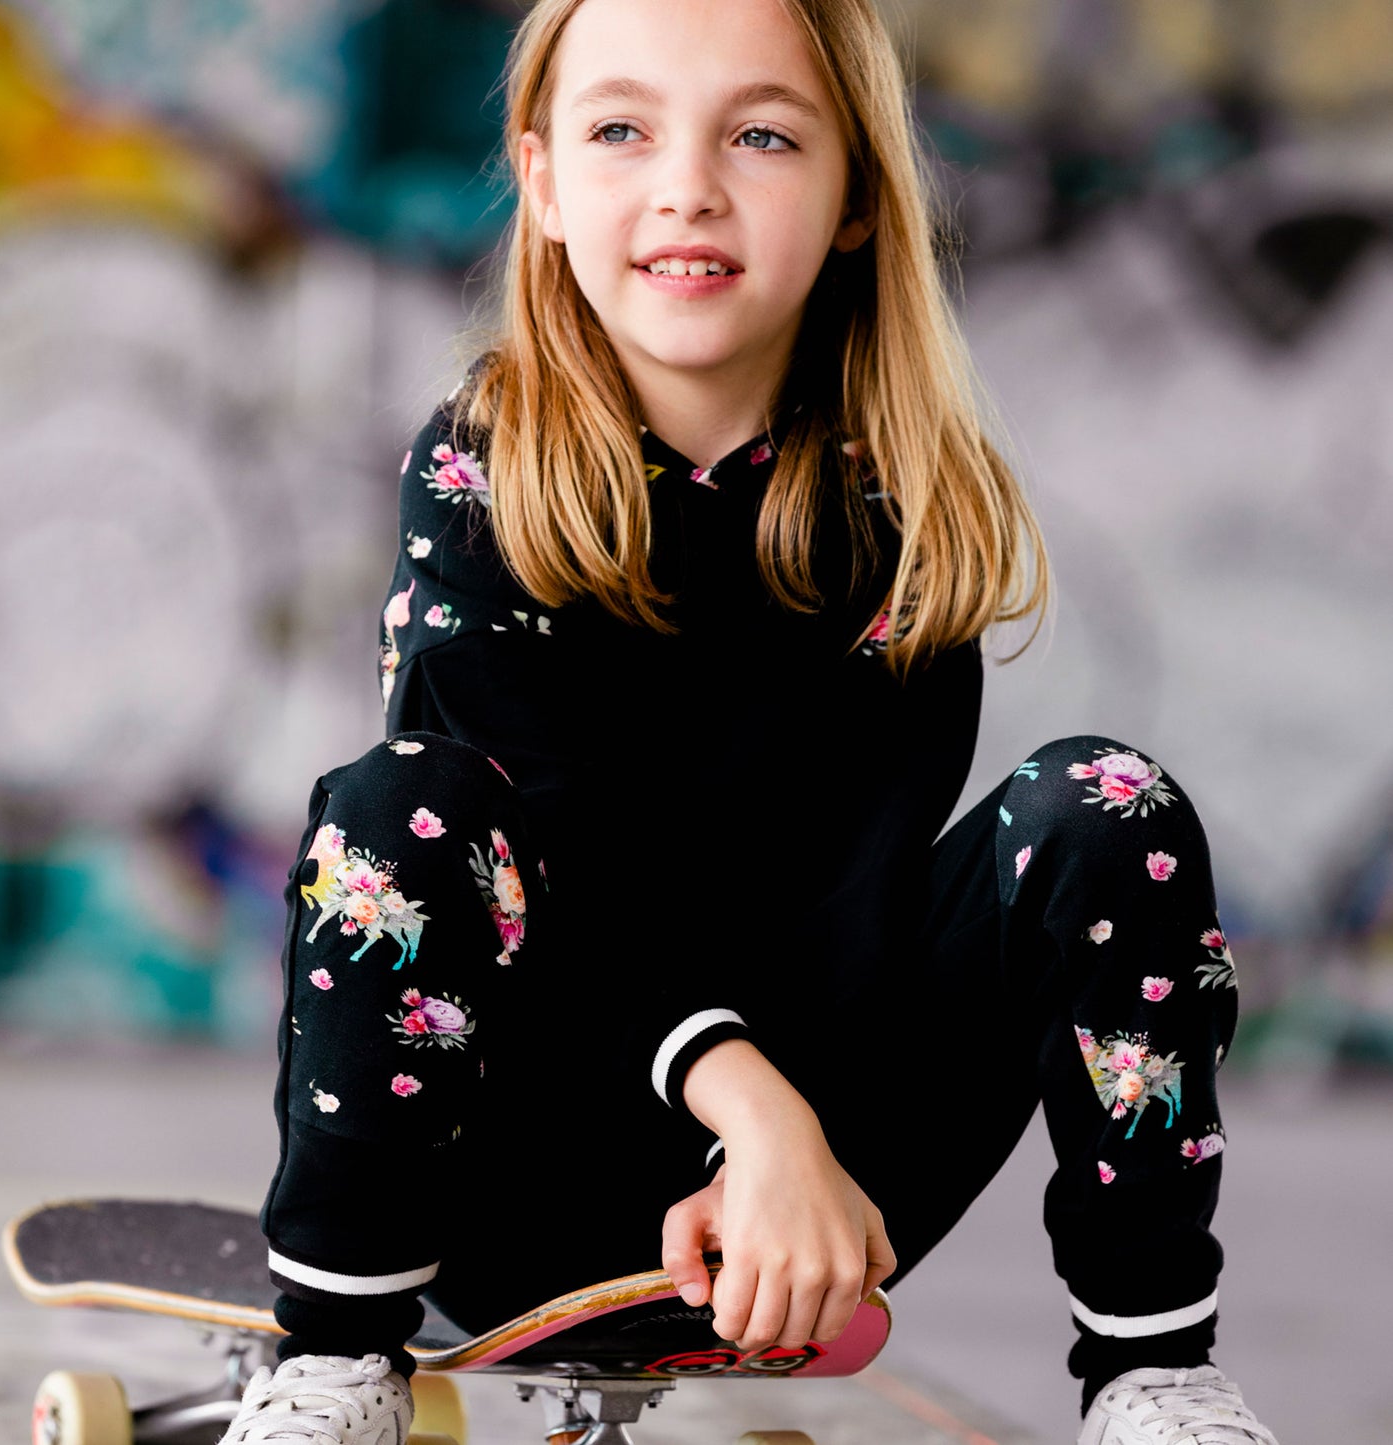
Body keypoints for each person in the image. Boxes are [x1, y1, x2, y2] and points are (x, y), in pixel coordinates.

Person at [220, 1, 1280, 1442]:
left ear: (855, 198)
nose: (688, 188)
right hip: (505, 1159)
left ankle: (1155, 1375)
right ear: (542, 182)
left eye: (763, 137)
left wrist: (780, 1155)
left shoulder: (902, 497)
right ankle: (337, 1363)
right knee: (402, 805)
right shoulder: (485, 470)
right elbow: (560, 873)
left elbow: (856, 884)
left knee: (1105, 805)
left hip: (807, 1201)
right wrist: (750, 1111)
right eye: (622, 130)